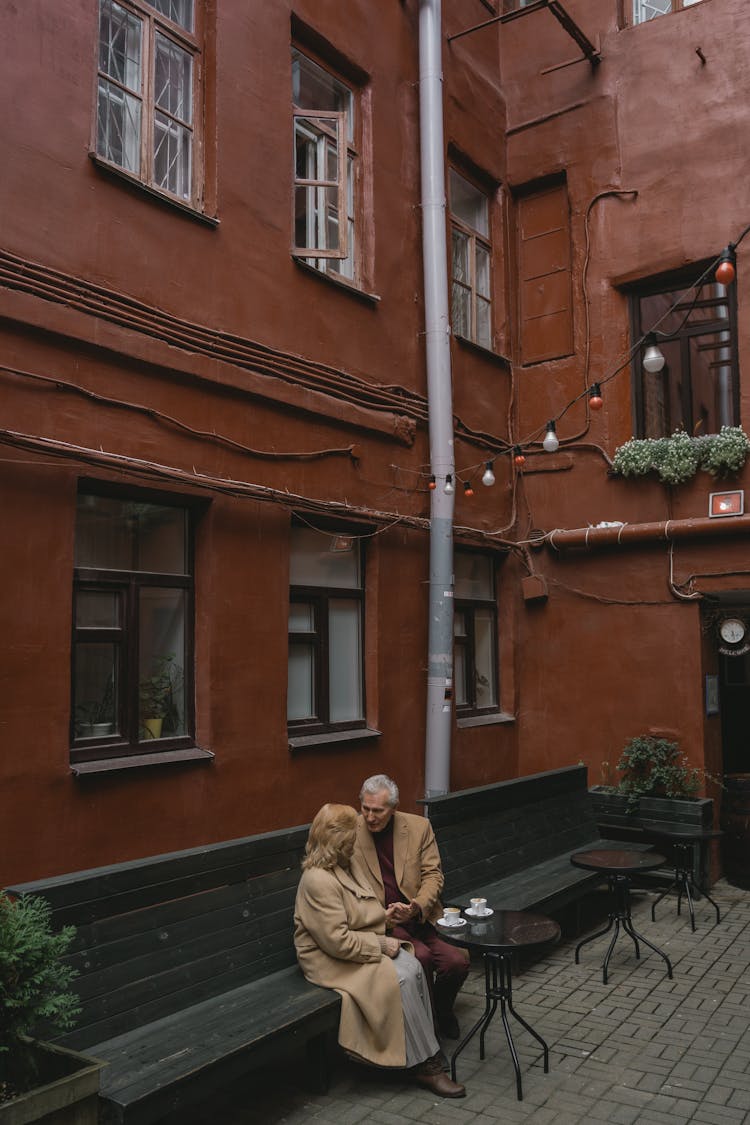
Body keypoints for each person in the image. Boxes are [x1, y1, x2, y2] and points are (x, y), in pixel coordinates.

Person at [294, 803, 466, 1098]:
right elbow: (336, 942)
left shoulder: (342, 866)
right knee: (397, 979)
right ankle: (425, 1066)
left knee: (412, 967)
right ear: (337, 841)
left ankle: (424, 1051)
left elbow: (360, 911)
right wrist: (381, 944)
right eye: (350, 838)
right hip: (327, 959)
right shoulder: (317, 880)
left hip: (353, 944)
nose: (354, 843)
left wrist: (382, 919)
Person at [354, 774, 469, 1039]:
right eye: (365, 808)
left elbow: (433, 875)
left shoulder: (418, 827)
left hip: (421, 917)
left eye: (378, 811)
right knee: (422, 959)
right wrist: (382, 916)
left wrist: (417, 906)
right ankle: (427, 1032)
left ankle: (441, 1010)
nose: (370, 817)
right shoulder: (351, 834)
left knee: (456, 962)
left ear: (393, 809)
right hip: (385, 923)